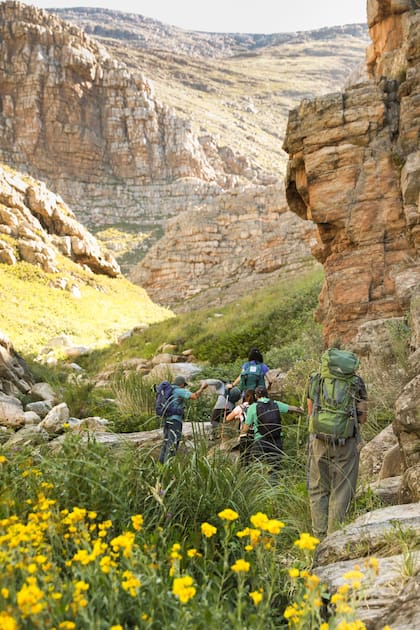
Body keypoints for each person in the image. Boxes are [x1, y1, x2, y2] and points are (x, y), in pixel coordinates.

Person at [306, 348, 368, 538]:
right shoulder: (357, 383)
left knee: (318, 488)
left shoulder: (316, 379)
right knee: (343, 488)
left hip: (318, 441)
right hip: (346, 442)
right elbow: (363, 417)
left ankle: (319, 537)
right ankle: (336, 536)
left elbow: (310, 412)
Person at [240, 385, 304, 478]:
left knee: (257, 468)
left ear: (256, 396)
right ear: (267, 394)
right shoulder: (276, 404)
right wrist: (301, 410)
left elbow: (245, 429)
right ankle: (274, 487)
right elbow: (293, 409)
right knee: (275, 468)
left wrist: (241, 434)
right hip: (276, 440)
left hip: (261, 440)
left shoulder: (253, 407)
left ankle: (258, 488)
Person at [158, 375, 208, 464]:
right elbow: (194, 396)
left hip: (166, 420)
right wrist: (202, 388)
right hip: (175, 421)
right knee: (173, 445)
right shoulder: (178, 390)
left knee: (165, 444)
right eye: (184, 385)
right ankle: (169, 468)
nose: (184, 387)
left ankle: (160, 467)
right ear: (181, 384)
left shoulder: (168, 391)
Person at [226, 388, 256, 466]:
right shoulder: (259, 406)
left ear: (245, 397)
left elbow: (228, 418)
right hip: (258, 434)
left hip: (245, 435)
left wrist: (238, 416)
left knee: (244, 459)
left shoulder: (241, 407)